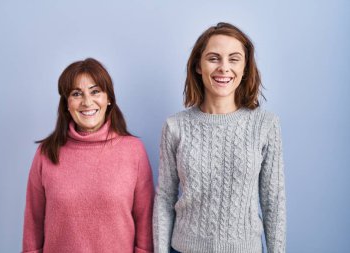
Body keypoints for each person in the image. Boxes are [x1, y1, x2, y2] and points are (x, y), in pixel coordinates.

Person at [153, 22, 286, 253]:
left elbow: (273, 201)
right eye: (214, 58)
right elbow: (165, 198)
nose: (224, 67)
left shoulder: (265, 125)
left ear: (245, 68)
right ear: (198, 66)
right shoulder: (175, 126)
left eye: (234, 59)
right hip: (184, 248)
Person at [22, 58, 154, 253]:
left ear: (108, 98)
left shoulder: (133, 150)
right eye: (76, 94)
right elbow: (33, 223)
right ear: (67, 104)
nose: (87, 102)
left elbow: (145, 224)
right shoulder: (46, 152)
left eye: (95, 91)